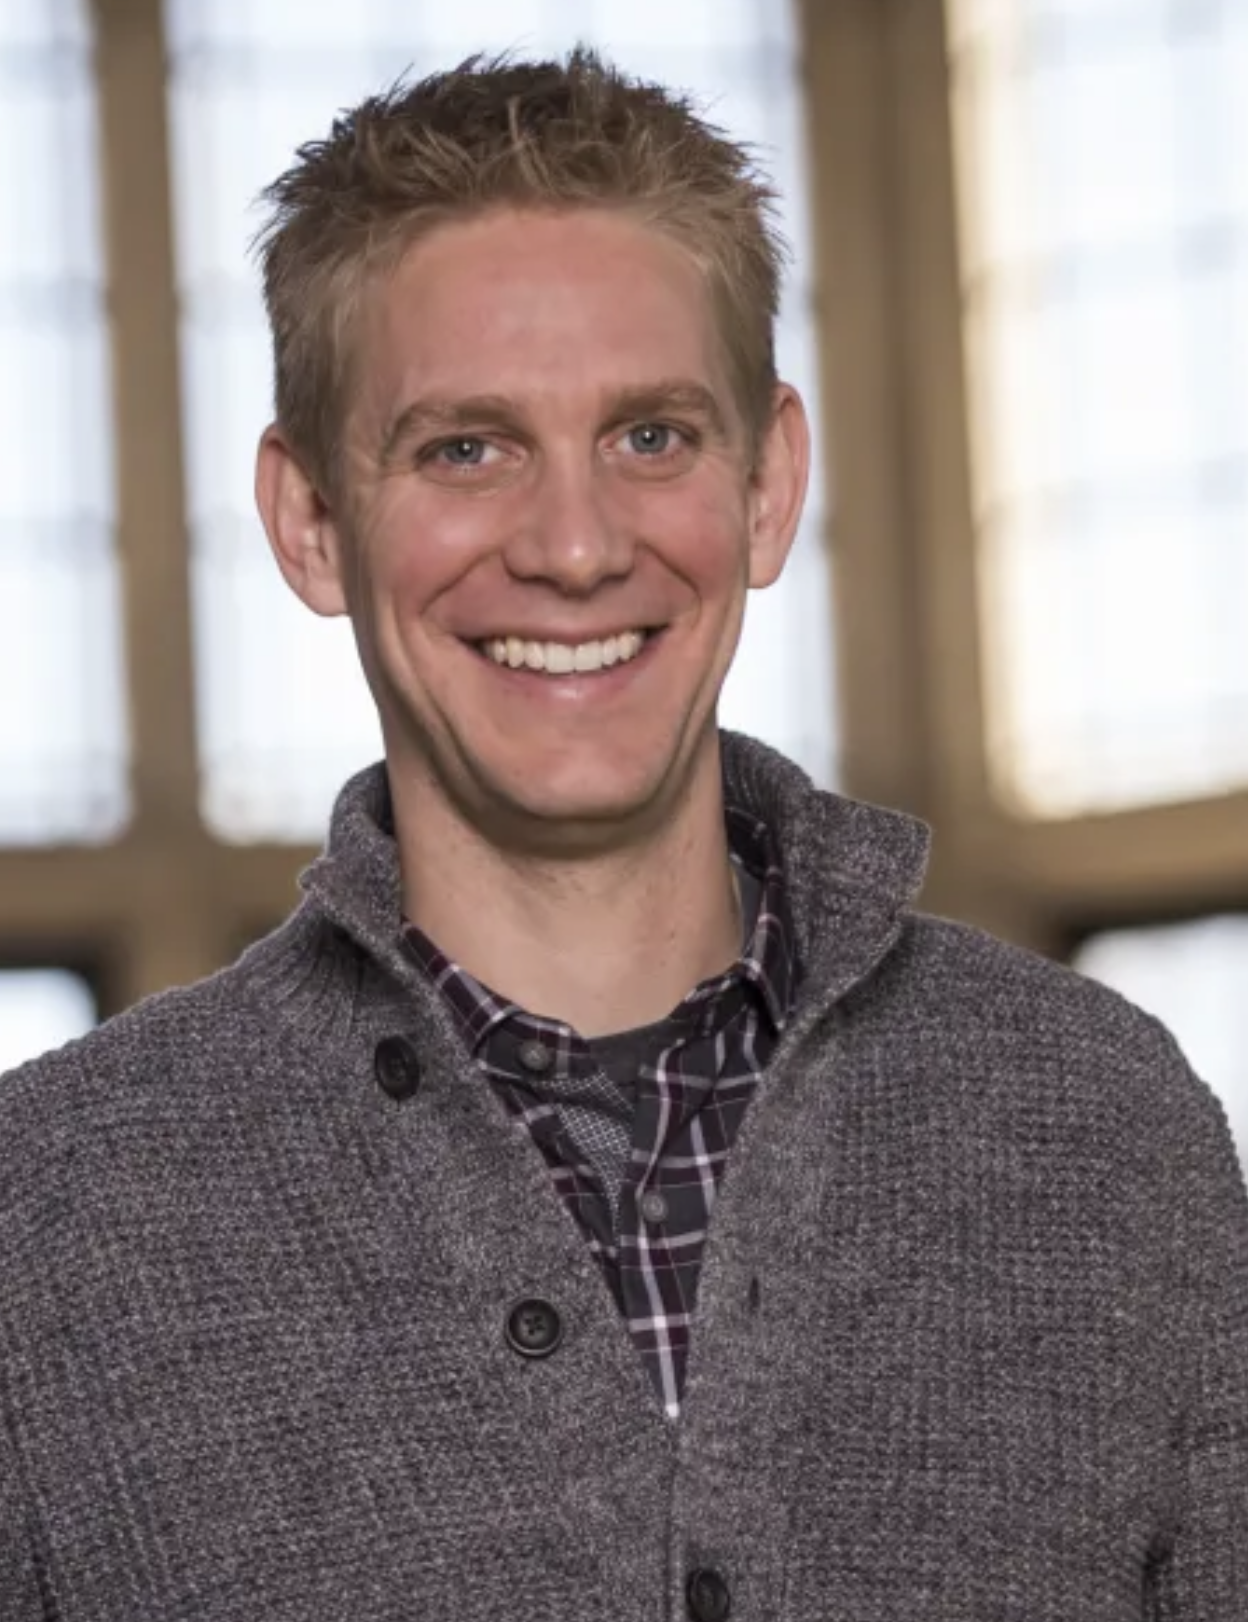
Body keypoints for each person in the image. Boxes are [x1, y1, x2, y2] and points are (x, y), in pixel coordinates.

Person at [1, 48, 1245, 1622]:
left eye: (651, 436)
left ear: (769, 483)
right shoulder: (51, 1225)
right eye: (467, 448)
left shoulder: (1105, 1129)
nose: (577, 547)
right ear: (310, 520)